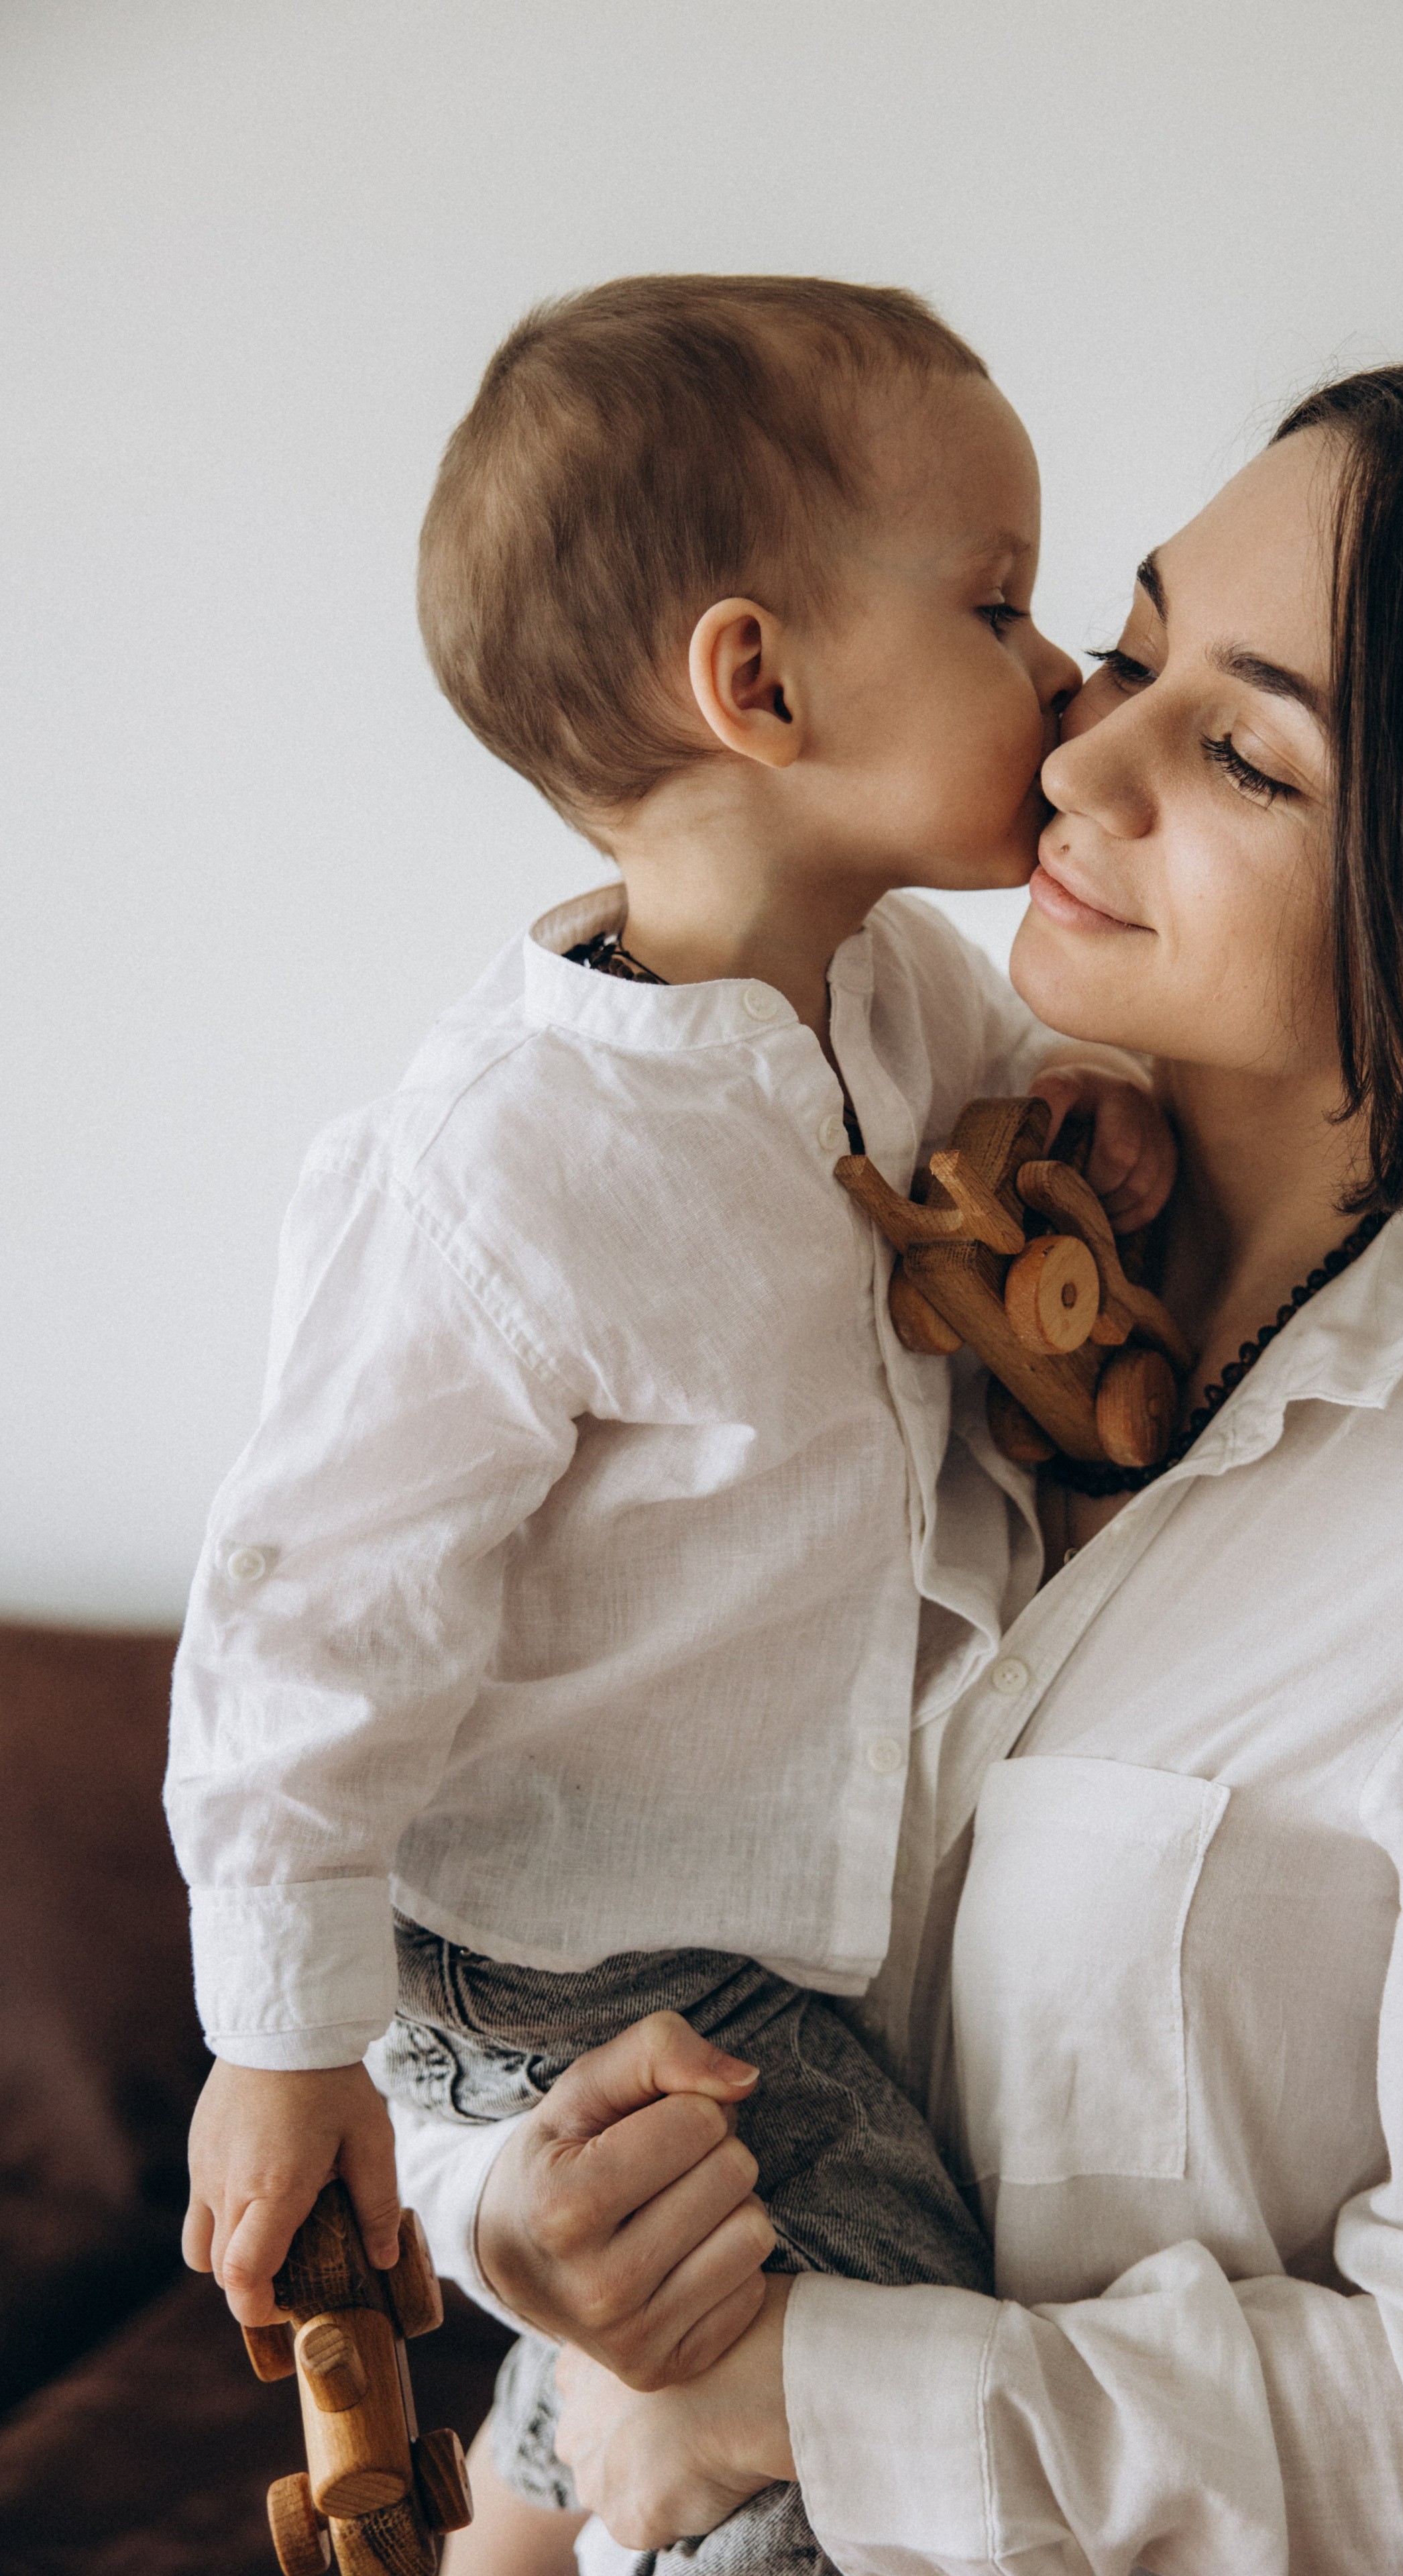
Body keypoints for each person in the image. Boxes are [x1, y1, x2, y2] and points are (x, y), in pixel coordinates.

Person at [415, 360, 1403, 2576]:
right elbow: (510, 1847)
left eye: (1240, 749)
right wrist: (506, 2208)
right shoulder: (816, 1211)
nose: (1077, 755)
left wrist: (805, 2390)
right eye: (1123, 649)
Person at [162, 275, 1174, 2570]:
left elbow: (990, 1171)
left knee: (772, 2247)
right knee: (863, 2319)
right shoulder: (507, 1163)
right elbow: (303, 1614)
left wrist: (1087, 1128)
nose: (1064, 679)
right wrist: (285, 2037)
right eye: (1004, 605)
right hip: (567, 1945)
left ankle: (544, 2474)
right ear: (760, 681)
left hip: (767, 1906)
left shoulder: (901, 993)